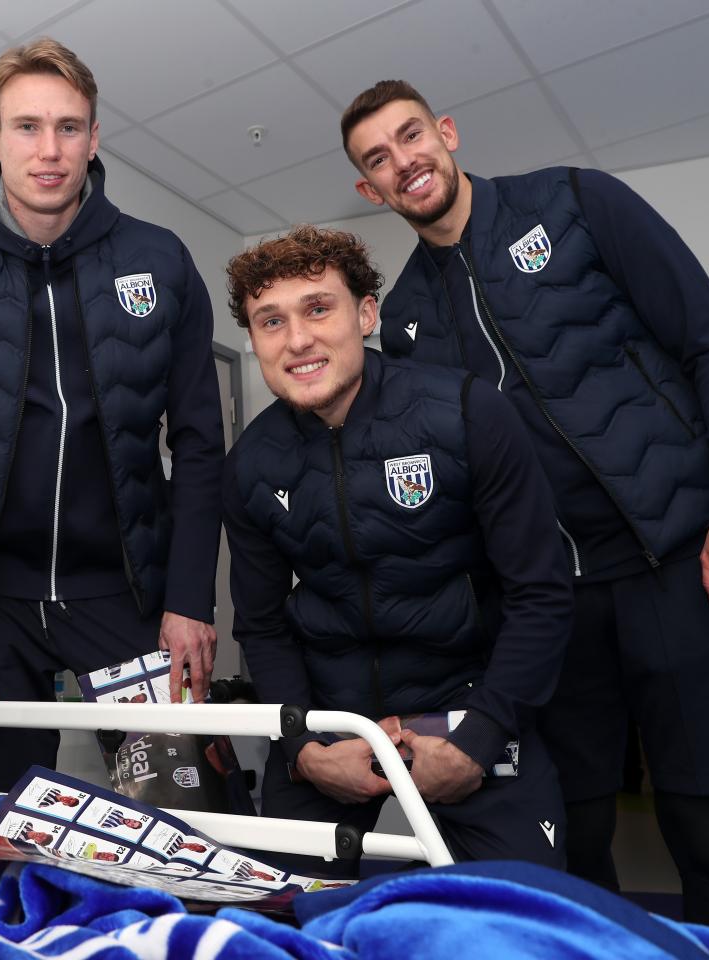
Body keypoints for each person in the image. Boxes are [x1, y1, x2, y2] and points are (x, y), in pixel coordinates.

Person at [340, 79, 709, 943]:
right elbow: (442, 507)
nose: (404, 162)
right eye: (379, 159)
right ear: (371, 188)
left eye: (411, 136)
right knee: (571, 847)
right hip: (548, 614)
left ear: (446, 132)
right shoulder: (402, 324)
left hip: (676, 569)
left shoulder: (578, 203)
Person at [0, 38, 224, 792]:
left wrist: (189, 600)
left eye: (68, 127)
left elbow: (201, 445)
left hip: (126, 599)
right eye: (28, 126)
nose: (49, 149)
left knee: (175, 812)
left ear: (94, 138)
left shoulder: (161, 261)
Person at [222, 225, 573, 872]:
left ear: (365, 315)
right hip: (330, 720)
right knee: (281, 912)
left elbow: (541, 592)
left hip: (473, 705)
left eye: (318, 309)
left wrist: (481, 735)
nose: (297, 340)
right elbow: (262, 626)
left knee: (519, 912)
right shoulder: (249, 465)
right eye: (271, 321)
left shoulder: (467, 413)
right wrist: (303, 747)